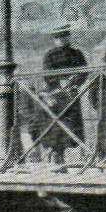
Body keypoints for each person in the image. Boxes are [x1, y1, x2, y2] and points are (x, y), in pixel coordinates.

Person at [38, 25, 88, 163]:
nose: (61, 40)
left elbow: (83, 71)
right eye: (58, 38)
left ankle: (71, 156)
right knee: (56, 125)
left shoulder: (77, 54)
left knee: (72, 124)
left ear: (68, 37)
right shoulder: (50, 55)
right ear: (55, 40)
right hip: (56, 94)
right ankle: (57, 154)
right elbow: (47, 74)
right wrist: (59, 83)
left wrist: (74, 82)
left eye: (64, 37)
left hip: (71, 93)